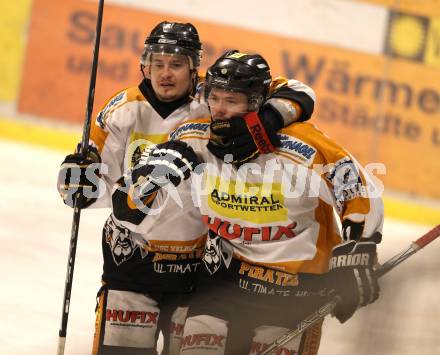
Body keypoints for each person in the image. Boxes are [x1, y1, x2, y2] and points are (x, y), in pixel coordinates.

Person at [57, 20, 317, 355]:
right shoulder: (121, 110)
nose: (166, 74)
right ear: (144, 66)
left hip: (197, 269)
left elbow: (300, 91)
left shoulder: (215, 96)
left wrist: (269, 117)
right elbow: (96, 191)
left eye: (177, 65)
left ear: (195, 68)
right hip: (133, 261)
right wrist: (79, 181)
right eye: (158, 64)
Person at [115, 50, 384, 354]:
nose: (220, 110)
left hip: (296, 288)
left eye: (232, 101)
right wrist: (146, 182)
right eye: (215, 98)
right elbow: (128, 206)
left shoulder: (299, 144)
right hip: (225, 280)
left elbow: (358, 187)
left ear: (256, 102)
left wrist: (359, 249)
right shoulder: (193, 138)